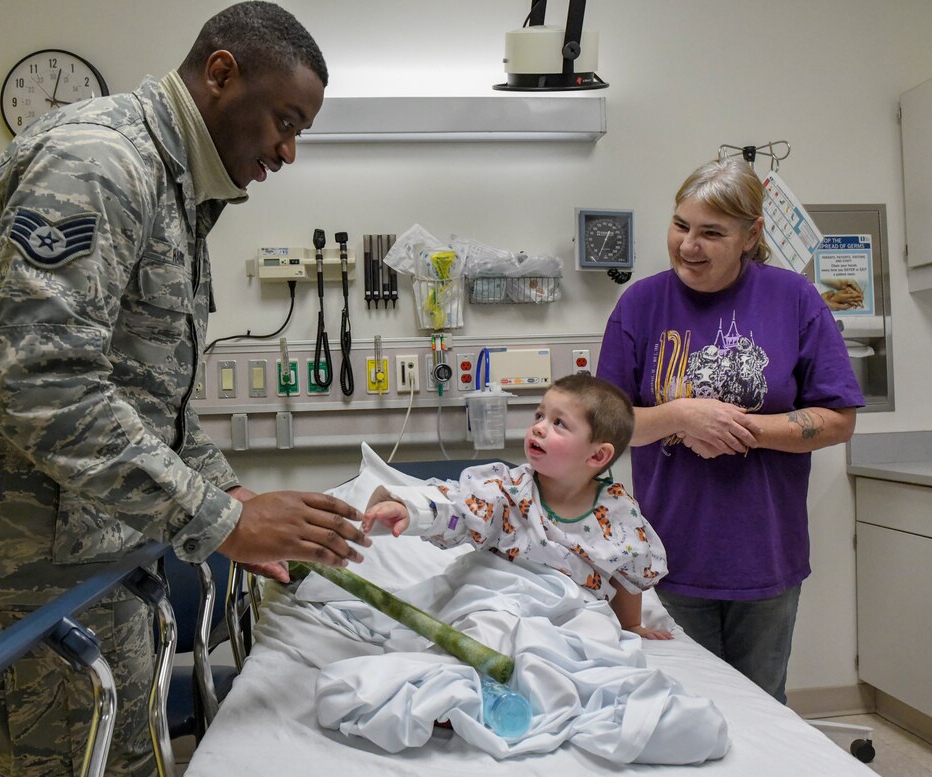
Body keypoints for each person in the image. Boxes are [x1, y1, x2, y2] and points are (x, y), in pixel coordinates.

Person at [0, 4, 369, 775]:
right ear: (221, 73)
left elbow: (152, 391)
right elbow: (41, 385)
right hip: (32, 567)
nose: (288, 152)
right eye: (284, 122)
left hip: (91, 551)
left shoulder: (179, 191)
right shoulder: (100, 164)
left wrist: (232, 495)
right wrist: (220, 520)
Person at [596, 158, 864, 703]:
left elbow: (838, 420)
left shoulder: (794, 300)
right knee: (678, 713)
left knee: (761, 713)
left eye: (711, 233)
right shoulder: (641, 304)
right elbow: (603, 428)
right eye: (680, 226)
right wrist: (678, 416)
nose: (688, 245)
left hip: (764, 556)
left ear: (751, 235)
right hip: (666, 555)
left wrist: (743, 429)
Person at [363, 374, 672, 640]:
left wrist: (631, 626)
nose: (539, 428)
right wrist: (412, 512)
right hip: (500, 596)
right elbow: (458, 509)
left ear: (597, 456)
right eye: (539, 416)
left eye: (559, 423)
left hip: (572, 612)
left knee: (597, 633)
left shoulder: (618, 513)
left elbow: (627, 573)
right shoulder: (507, 490)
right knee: (487, 625)